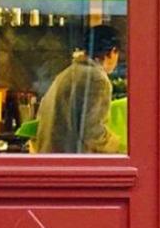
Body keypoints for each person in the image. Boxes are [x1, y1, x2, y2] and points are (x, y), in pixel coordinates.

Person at [35, 24, 123, 154]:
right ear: (112, 52)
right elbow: (93, 132)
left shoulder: (67, 73)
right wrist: (119, 146)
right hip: (74, 160)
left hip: (52, 157)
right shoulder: (97, 79)